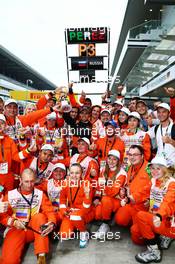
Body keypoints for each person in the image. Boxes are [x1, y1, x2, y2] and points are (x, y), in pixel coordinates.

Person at [0, 168, 56, 264]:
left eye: (32, 181)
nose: (29, 185)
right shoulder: (10, 195)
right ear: (20, 180)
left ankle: (41, 256)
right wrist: (13, 222)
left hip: (33, 229)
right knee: (9, 261)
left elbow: (49, 211)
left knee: (40, 217)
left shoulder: (40, 194)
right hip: (16, 228)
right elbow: (3, 217)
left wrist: (52, 223)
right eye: (26, 181)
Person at [133, 156, 175, 263]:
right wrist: (130, 198)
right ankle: (164, 236)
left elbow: (168, 202)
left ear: (165, 169)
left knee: (141, 216)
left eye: (158, 168)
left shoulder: (172, 183)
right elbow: (143, 192)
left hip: (169, 222)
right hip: (158, 219)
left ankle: (154, 253)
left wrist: (159, 215)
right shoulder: (153, 181)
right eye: (152, 168)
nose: (154, 171)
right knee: (135, 231)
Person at [115, 145, 151, 228]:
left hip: (144, 206)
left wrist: (137, 197)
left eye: (135, 155)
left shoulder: (150, 168)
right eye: (130, 155)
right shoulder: (129, 167)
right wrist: (123, 190)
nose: (132, 157)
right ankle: (132, 221)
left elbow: (155, 187)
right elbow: (128, 183)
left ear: (142, 156)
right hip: (131, 204)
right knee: (120, 219)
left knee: (137, 233)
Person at [94, 150, 127, 239]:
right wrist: (97, 197)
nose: (111, 161)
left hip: (117, 200)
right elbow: (98, 186)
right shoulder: (103, 170)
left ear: (118, 161)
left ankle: (105, 224)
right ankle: (109, 218)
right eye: (109, 158)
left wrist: (105, 184)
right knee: (97, 214)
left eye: (114, 159)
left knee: (106, 200)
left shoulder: (122, 173)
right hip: (105, 197)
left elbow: (113, 192)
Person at [59, 163, 94, 248]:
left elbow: (87, 207)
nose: (74, 176)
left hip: (86, 213)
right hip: (71, 212)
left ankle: (83, 232)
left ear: (82, 174)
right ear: (69, 173)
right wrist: (64, 211)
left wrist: (87, 195)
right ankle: (76, 225)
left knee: (75, 217)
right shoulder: (65, 184)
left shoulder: (87, 184)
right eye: (72, 173)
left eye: (77, 173)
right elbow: (62, 201)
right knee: (64, 235)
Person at [0, 114, 36, 191]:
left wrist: (28, 150)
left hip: (8, 176)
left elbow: (16, 157)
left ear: (5, 126)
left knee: (7, 198)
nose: (0, 125)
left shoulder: (9, 140)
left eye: (2, 123)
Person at [148, 102, 175, 167]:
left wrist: (170, 141)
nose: (161, 114)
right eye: (159, 112)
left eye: (164, 112)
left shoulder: (174, 127)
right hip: (159, 164)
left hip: (172, 166)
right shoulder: (155, 128)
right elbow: (142, 136)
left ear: (169, 113)